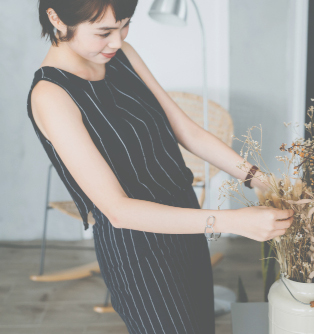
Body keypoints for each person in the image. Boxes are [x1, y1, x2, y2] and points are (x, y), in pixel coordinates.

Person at [27, 0, 294, 333]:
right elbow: (118, 210)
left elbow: (186, 130)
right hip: (137, 249)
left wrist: (255, 177)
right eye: (104, 31)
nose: (118, 40)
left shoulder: (123, 56)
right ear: (55, 17)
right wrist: (233, 222)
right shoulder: (51, 95)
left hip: (186, 221)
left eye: (125, 24)